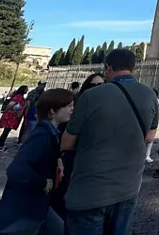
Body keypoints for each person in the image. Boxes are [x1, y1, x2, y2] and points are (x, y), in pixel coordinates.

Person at [61, 49, 159, 234]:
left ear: (107, 67)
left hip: (90, 189)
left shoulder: (91, 95)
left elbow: (66, 142)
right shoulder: (150, 95)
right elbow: (149, 137)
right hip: (128, 187)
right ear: (134, 67)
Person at [0, 88, 74, 235]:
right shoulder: (41, 136)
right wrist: (43, 182)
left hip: (37, 205)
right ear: (52, 111)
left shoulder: (51, 134)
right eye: (68, 106)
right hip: (22, 209)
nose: (72, 109)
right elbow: (16, 170)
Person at [51, 74, 105, 219]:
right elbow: (61, 129)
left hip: (92, 156)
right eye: (93, 85)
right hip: (71, 153)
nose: (97, 89)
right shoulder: (77, 103)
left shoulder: (107, 105)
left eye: (101, 85)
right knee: (65, 187)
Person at [0, 86, 29, 152]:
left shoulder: (20, 97)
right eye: (26, 89)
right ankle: (0, 146)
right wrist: (5, 110)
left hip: (12, 116)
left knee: (6, 131)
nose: (27, 90)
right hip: (10, 116)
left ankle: (1, 145)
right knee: (6, 131)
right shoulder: (18, 97)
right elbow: (11, 104)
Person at [145, 87, 159, 164]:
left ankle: (147, 155)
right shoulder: (146, 100)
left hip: (150, 124)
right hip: (146, 122)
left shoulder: (157, 101)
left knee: (149, 141)